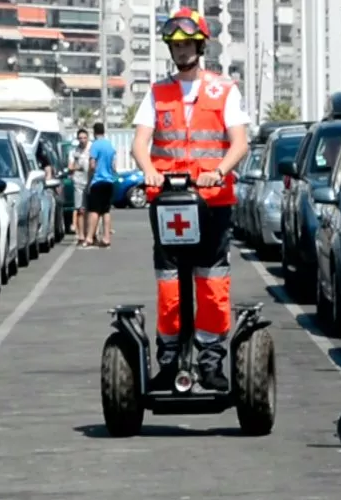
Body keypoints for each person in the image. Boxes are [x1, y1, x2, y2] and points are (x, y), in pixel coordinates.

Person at [131, 7, 249, 392]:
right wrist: (148, 168)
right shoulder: (157, 92)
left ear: (200, 45)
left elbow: (240, 142)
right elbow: (139, 143)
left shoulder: (224, 90)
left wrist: (220, 169)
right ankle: (169, 359)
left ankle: (211, 359)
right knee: (169, 280)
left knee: (211, 278)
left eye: (187, 44)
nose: (181, 51)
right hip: (168, 200)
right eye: (175, 45)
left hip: (211, 200)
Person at [85, 122, 117, 248]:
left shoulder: (95, 145)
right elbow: (114, 166)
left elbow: (92, 164)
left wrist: (90, 177)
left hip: (98, 181)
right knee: (106, 211)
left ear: (94, 132)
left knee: (94, 210)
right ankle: (106, 238)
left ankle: (89, 238)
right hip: (109, 181)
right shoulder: (110, 145)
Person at [68, 128, 91, 245]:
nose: (82, 140)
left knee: (91, 211)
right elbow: (70, 167)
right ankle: (81, 235)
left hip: (91, 183)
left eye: (84, 138)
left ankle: (91, 234)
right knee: (81, 210)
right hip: (79, 183)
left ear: (88, 138)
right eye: (80, 138)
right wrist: (78, 167)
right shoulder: (74, 151)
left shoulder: (92, 149)